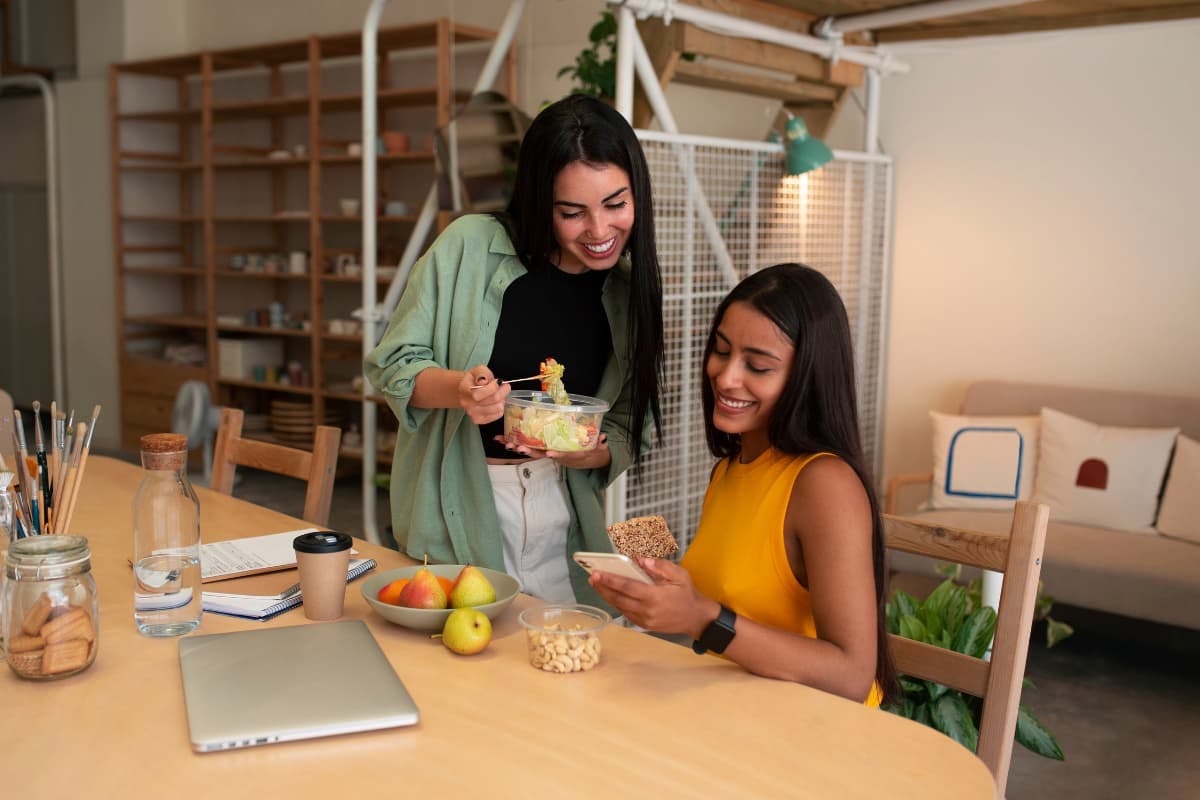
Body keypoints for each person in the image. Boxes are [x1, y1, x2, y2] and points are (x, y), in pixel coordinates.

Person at [365, 94, 663, 606]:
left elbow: (633, 423)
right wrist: (460, 390)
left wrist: (592, 450)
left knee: (564, 660)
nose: (599, 231)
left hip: (564, 509)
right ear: (538, 201)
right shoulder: (469, 247)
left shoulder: (627, 290)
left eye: (616, 204)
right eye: (573, 212)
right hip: (459, 499)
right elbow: (394, 364)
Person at [588, 263, 896, 705]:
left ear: (806, 378)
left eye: (757, 365)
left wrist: (701, 618)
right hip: (737, 713)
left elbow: (851, 675)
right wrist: (652, 586)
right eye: (721, 350)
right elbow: (732, 591)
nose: (726, 377)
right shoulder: (731, 468)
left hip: (818, 737)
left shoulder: (825, 485)